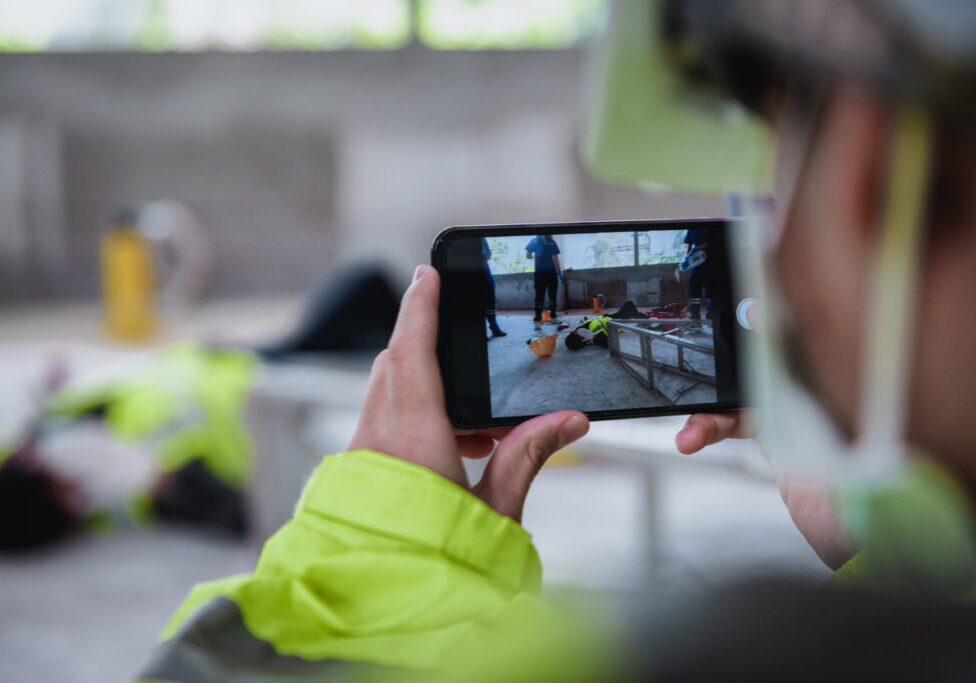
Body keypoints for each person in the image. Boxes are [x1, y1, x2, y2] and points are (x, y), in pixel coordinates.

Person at [139, 0, 976, 679]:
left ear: (860, 173)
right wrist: (896, 554)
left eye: (770, 167)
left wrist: (384, 547)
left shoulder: (737, 645)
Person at [525, 234, 562, 323]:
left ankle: (553, 317)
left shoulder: (552, 241)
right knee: (539, 297)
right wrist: (533, 255)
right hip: (540, 273)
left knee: (552, 296)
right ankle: (537, 320)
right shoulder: (535, 241)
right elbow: (528, 255)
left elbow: (556, 257)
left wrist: (559, 271)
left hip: (552, 273)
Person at [682, 226, 712, 321]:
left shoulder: (708, 225)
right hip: (696, 265)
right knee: (694, 293)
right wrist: (687, 259)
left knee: (711, 291)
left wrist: (691, 254)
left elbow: (705, 244)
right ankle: (695, 317)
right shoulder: (692, 226)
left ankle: (711, 316)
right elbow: (689, 245)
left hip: (710, 262)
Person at [482, 238, 507, 338]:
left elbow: (487, 255)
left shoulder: (483, 238)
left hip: (485, 271)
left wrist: (486, 255)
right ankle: (480, 332)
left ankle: (495, 329)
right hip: (473, 272)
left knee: (490, 302)